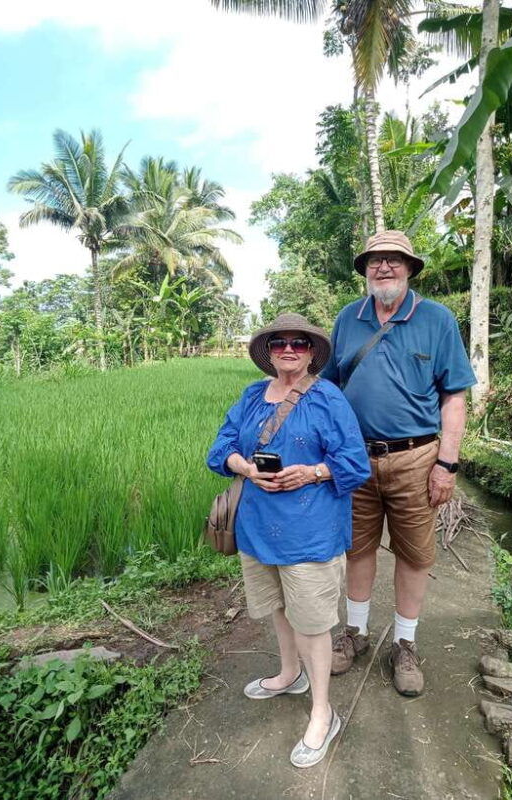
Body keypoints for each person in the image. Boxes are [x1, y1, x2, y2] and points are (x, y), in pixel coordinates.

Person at [207, 312, 370, 768]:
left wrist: (313, 471)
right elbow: (218, 450)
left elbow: (356, 464)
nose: (289, 350)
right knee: (277, 606)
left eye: (299, 343)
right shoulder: (251, 396)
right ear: (269, 352)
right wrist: (246, 467)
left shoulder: (328, 399)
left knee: (312, 622)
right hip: (257, 527)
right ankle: (289, 672)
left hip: (310, 531)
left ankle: (323, 711)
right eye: (279, 343)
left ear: (313, 351)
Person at [323, 231, 476, 697]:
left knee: (414, 553)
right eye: (375, 260)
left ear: (410, 268)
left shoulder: (436, 319)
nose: (383, 268)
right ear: (365, 269)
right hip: (355, 461)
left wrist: (446, 463)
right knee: (358, 548)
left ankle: (405, 644)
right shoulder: (347, 319)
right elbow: (328, 389)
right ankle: (356, 633)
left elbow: (454, 396)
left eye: (394, 260)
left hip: (416, 458)